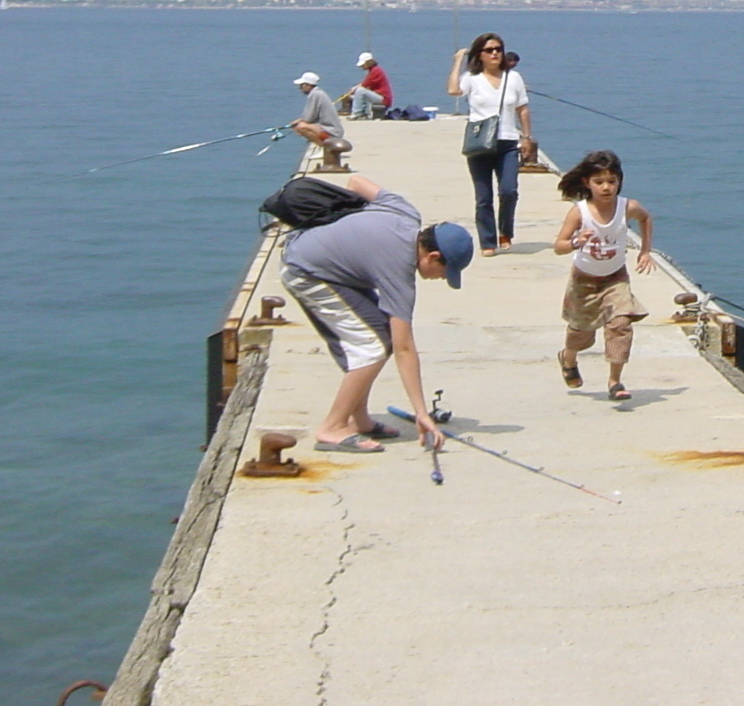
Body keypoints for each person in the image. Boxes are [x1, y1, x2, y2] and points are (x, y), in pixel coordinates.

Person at [276, 174, 472, 453]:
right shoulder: (399, 269)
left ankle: (360, 420)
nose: (442, 278)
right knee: (373, 345)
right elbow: (404, 348)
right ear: (433, 257)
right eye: (444, 272)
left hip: (307, 247)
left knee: (375, 334)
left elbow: (355, 182)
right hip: (305, 271)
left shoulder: (405, 212)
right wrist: (421, 413)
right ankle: (332, 427)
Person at [552, 149, 654, 402]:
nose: (606, 188)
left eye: (612, 181)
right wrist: (577, 241)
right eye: (599, 182)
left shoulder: (627, 207)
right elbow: (559, 246)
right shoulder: (580, 212)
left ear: (620, 181)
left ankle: (615, 381)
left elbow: (646, 218)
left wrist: (645, 252)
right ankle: (568, 358)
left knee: (621, 324)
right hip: (584, 280)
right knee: (581, 330)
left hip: (615, 277)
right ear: (587, 182)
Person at [446, 34, 534, 256]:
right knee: (484, 197)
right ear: (480, 55)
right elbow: (454, 90)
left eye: (498, 49)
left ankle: (505, 231)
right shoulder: (472, 78)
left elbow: (522, 109)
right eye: (489, 50)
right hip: (480, 143)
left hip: (507, 141)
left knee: (509, 191)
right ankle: (488, 241)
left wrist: (526, 137)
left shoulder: (513, 78)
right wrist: (458, 62)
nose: (495, 53)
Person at [290, 72, 352, 171]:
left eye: (302, 85)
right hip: (331, 129)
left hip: (332, 132)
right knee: (301, 125)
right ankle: (323, 147)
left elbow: (308, 118)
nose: (300, 88)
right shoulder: (318, 93)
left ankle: (325, 148)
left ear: (308, 85)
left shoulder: (314, 95)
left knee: (301, 127)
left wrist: (298, 122)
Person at [342, 53, 394, 120]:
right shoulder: (373, 71)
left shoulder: (376, 71)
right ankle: (364, 113)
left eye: (363, 65)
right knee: (358, 94)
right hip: (379, 96)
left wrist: (353, 89)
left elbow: (364, 85)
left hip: (383, 98)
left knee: (360, 91)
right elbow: (366, 85)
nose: (362, 67)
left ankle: (356, 113)